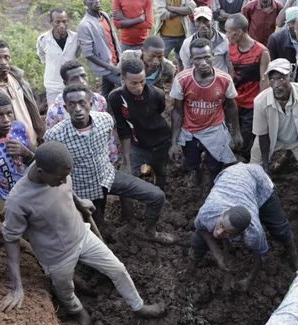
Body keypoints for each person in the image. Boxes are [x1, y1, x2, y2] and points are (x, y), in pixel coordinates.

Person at [0, 141, 165, 325]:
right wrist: (16, 287)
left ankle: (138, 306)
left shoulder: (58, 173)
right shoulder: (18, 201)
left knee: (118, 269)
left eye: (66, 176)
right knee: (66, 292)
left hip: (83, 236)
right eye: (59, 178)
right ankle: (77, 311)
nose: (63, 181)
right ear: (41, 173)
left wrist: (80, 203)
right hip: (57, 257)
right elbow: (11, 239)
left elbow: (67, 189)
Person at [45, 84, 172, 243]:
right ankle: (102, 239)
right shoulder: (55, 135)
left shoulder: (105, 120)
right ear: (65, 107)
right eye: (72, 104)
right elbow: (50, 168)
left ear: (90, 103)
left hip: (108, 177)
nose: (78, 108)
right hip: (83, 189)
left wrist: (123, 162)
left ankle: (149, 232)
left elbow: (110, 145)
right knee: (95, 229)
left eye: (82, 103)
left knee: (156, 196)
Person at [190, 163, 298, 291]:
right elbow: (201, 229)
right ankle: (191, 268)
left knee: (279, 229)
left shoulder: (254, 233)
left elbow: (260, 256)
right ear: (222, 215)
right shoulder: (208, 212)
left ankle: (295, 259)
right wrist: (218, 254)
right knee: (198, 240)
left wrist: (249, 280)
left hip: (257, 181)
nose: (219, 233)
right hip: (232, 176)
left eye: (227, 232)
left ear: (241, 233)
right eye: (220, 225)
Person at [169, 38, 243, 186]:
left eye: (206, 57)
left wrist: (236, 133)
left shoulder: (224, 79)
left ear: (213, 56)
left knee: (215, 164)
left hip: (215, 128)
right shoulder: (182, 79)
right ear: (191, 60)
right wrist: (174, 142)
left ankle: (212, 178)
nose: (203, 62)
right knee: (191, 161)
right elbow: (177, 111)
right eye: (198, 58)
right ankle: (195, 172)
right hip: (190, 130)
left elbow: (231, 107)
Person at [251, 58, 298, 186]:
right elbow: (263, 136)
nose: (276, 85)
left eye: (281, 78)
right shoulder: (260, 101)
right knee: (254, 170)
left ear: (291, 76)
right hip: (271, 140)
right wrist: (266, 166)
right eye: (272, 79)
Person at [109, 58, 172, 189]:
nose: (139, 87)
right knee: (127, 178)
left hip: (160, 142)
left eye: (142, 81)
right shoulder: (115, 98)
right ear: (123, 78)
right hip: (137, 145)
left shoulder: (157, 94)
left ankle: (160, 194)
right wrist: (126, 159)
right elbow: (122, 127)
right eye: (133, 83)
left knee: (161, 172)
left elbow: (160, 111)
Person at [0, 39, 45, 147]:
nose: (3, 62)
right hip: (13, 149)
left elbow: (31, 109)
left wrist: (40, 132)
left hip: (34, 142)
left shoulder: (18, 78)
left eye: (6, 57)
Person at [225, 14, 271, 161]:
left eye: (228, 32)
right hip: (234, 102)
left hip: (252, 104)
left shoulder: (261, 52)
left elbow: (264, 81)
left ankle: (248, 163)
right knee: (231, 134)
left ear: (238, 32)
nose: (226, 35)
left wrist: (261, 106)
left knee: (246, 140)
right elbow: (230, 75)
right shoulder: (230, 48)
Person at [78, 0, 122, 98]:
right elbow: (88, 54)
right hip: (107, 67)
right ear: (85, 3)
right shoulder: (85, 25)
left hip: (116, 62)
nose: (96, 1)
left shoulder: (104, 15)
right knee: (126, 84)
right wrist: (110, 67)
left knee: (107, 92)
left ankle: (104, 109)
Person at [37, 9, 80, 106]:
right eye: (57, 22)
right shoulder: (43, 39)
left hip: (72, 83)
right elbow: (42, 56)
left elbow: (77, 54)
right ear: (51, 22)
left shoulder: (75, 38)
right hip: (53, 85)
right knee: (55, 114)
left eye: (64, 21)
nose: (61, 25)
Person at [179, 7, 232, 74]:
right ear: (194, 22)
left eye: (206, 20)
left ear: (212, 21)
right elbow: (187, 68)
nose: (202, 25)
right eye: (198, 21)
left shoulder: (224, 40)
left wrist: (230, 82)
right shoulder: (187, 43)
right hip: (198, 81)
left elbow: (230, 65)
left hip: (220, 81)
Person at [153, 0, 196, 67]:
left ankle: (180, 76)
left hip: (183, 34)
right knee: (160, 59)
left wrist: (171, 8)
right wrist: (183, 11)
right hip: (165, 36)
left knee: (183, 59)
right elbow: (163, 14)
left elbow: (192, 8)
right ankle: (162, 76)